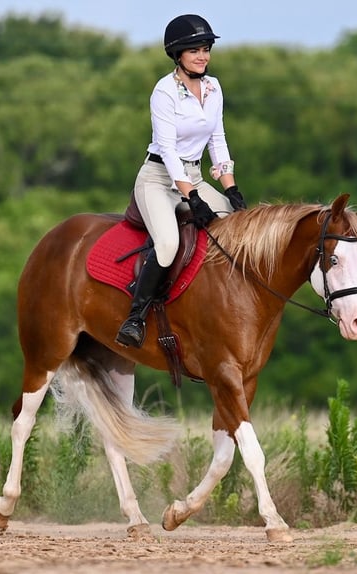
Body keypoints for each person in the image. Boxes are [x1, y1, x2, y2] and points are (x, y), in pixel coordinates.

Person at [115, 14, 247, 349]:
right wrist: (192, 197)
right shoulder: (164, 91)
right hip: (158, 178)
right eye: (194, 50)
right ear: (178, 55)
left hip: (195, 176)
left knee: (236, 227)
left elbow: (217, 140)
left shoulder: (214, 87)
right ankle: (135, 316)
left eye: (206, 49)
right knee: (169, 243)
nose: (202, 56)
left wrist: (230, 187)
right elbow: (169, 150)